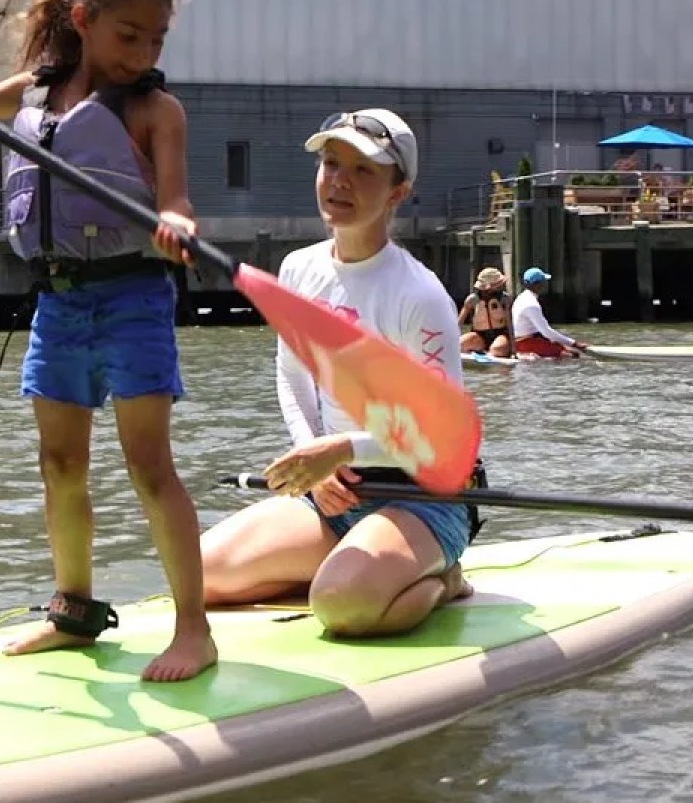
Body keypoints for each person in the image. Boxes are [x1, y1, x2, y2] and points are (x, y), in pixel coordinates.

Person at [0, 0, 215, 682]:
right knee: (59, 465)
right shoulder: (36, 89)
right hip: (59, 303)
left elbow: (175, 199)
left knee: (151, 468)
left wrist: (177, 223)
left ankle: (193, 630)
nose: (143, 52)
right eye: (128, 35)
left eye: (156, 38)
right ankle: (74, 613)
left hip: (133, 298)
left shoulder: (158, 109)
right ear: (83, 19)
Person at [200, 109, 485, 637]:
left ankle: (443, 580)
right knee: (196, 577)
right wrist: (318, 462)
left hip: (423, 496)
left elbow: (439, 435)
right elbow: (291, 374)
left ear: (398, 191)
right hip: (334, 491)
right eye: (331, 164)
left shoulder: (420, 296)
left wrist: (340, 450)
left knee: (341, 608)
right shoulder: (297, 270)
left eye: (363, 171)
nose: (339, 182)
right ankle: (353, 565)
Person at [510, 267, 589, 359]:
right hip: (525, 342)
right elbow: (546, 331)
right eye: (543, 281)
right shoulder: (531, 304)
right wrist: (575, 343)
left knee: (570, 350)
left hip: (528, 339)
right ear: (538, 284)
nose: (545, 284)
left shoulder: (521, 297)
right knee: (572, 355)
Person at [457, 266, 514, 357]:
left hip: (500, 334)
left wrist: (514, 350)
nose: (501, 285)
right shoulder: (472, 300)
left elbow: (510, 325)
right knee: (459, 345)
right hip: (479, 336)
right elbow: (458, 324)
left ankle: (495, 353)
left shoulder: (504, 299)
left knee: (496, 350)